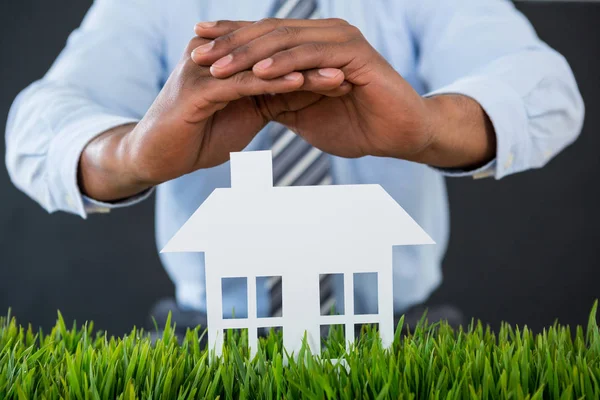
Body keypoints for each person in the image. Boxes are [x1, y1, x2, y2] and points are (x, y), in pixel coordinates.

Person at [5, 0, 584, 337]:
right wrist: (129, 155)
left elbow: (543, 86)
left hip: (409, 328)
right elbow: (41, 121)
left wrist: (429, 127)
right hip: (202, 330)